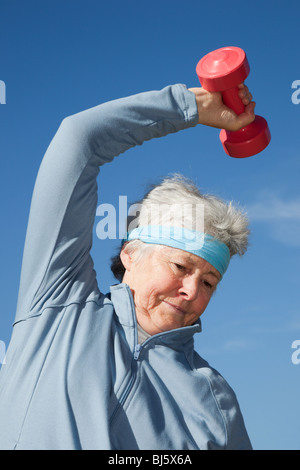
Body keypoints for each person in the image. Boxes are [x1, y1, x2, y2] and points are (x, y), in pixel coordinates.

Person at [0, 82, 255, 450]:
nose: (192, 292)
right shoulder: (58, 304)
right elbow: (79, 140)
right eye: (181, 266)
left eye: (209, 282)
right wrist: (192, 107)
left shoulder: (216, 401)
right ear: (130, 254)